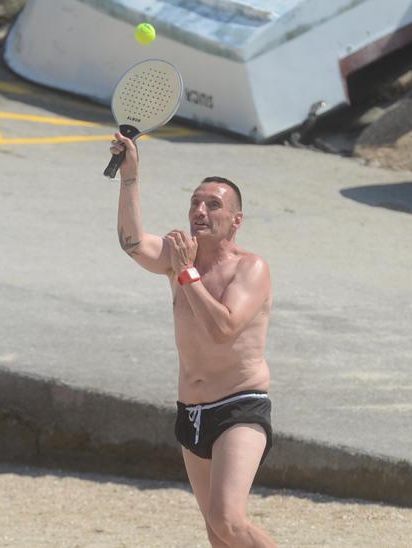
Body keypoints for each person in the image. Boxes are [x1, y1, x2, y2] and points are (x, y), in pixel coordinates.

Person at [111, 133, 276, 547]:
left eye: (213, 205)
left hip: (239, 406)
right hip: (192, 410)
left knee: (228, 519)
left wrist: (187, 275)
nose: (199, 211)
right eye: (195, 203)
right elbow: (132, 242)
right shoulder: (178, 256)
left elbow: (223, 329)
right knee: (217, 536)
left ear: (236, 220)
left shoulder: (251, 268)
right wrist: (130, 178)